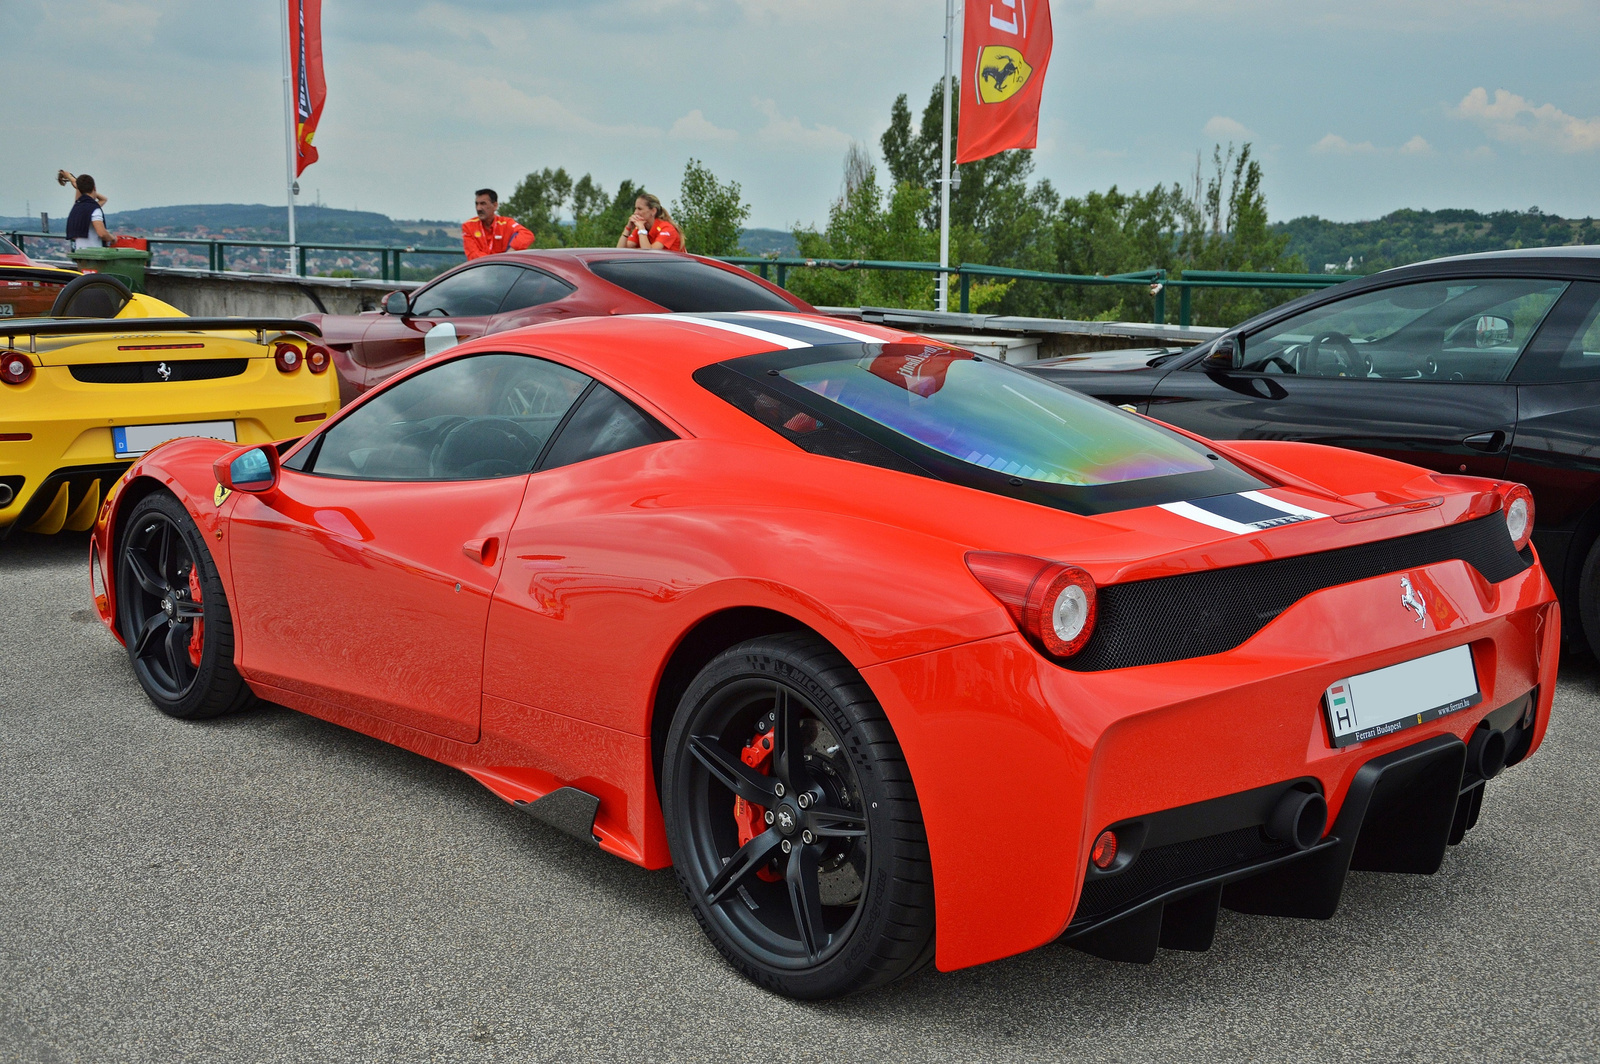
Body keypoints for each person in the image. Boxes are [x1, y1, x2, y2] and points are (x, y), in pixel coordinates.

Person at [461, 188, 535, 260]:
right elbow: (473, 255)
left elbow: (527, 235)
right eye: (477, 204)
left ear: (495, 206)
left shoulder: (505, 223)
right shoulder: (468, 226)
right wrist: (497, 260)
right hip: (481, 269)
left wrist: (511, 251)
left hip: (503, 268)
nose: (478, 208)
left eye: (483, 204)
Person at [61, 173, 112, 250]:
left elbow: (103, 199)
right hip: (94, 254)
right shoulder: (94, 209)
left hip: (80, 253)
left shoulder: (77, 207)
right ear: (94, 188)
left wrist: (73, 180)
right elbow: (102, 234)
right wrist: (113, 238)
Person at [617, 192, 684, 252]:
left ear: (653, 211)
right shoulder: (641, 228)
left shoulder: (667, 229)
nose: (635, 212)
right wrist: (628, 228)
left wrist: (642, 229)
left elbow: (650, 254)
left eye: (639, 209)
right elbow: (621, 251)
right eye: (635, 208)